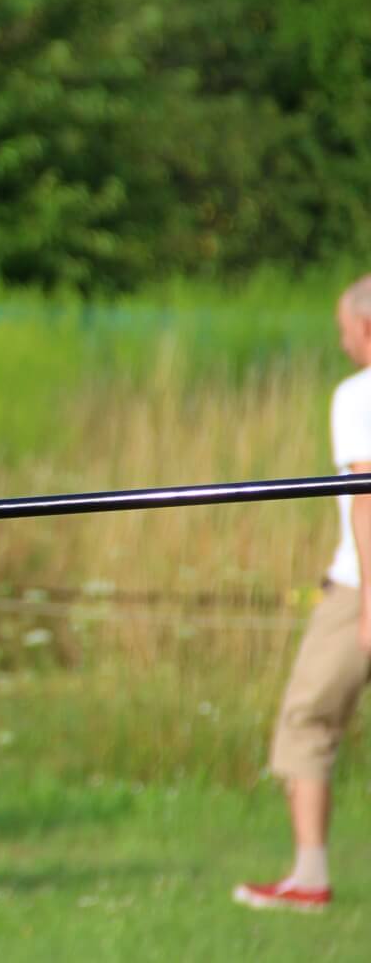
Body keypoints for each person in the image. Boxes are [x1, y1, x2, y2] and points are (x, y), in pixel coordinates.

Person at [235, 275, 371, 913]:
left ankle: (309, 879)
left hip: (360, 587)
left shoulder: (358, 394)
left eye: (344, 328)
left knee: (306, 722)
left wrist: (370, 602)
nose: (341, 341)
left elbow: (369, 500)